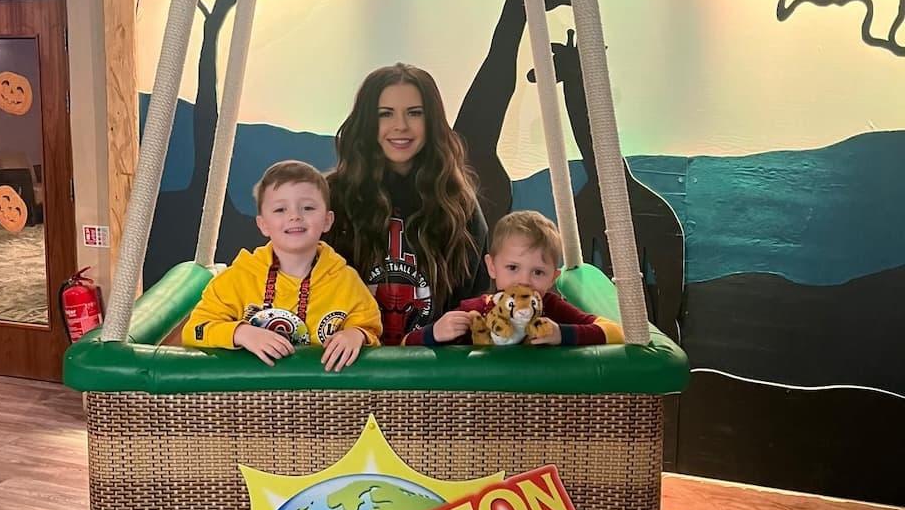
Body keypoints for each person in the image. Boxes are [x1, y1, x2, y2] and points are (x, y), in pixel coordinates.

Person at [327, 63, 489, 346]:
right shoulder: (331, 196)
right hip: (348, 368)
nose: (400, 125)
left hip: (432, 371)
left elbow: (471, 300)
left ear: (432, 122)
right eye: (385, 114)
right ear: (367, 123)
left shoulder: (459, 203)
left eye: (414, 113)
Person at [182, 160, 381, 369]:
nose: (295, 216)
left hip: (323, 396)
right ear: (263, 225)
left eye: (308, 207)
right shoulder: (238, 278)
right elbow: (196, 329)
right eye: (280, 209)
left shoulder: (346, 280)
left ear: (327, 221)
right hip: (253, 396)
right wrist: (241, 332)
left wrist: (356, 334)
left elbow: (370, 327)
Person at [403, 209, 625, 348]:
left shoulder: (552, 309)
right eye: (512, 267)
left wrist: (561, 334)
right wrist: (433, 333)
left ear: (553, 278)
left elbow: (616, 331)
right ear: (492, 267)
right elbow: (404, 345)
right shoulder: (473, 310)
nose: (524, 281)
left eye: (538, 272)